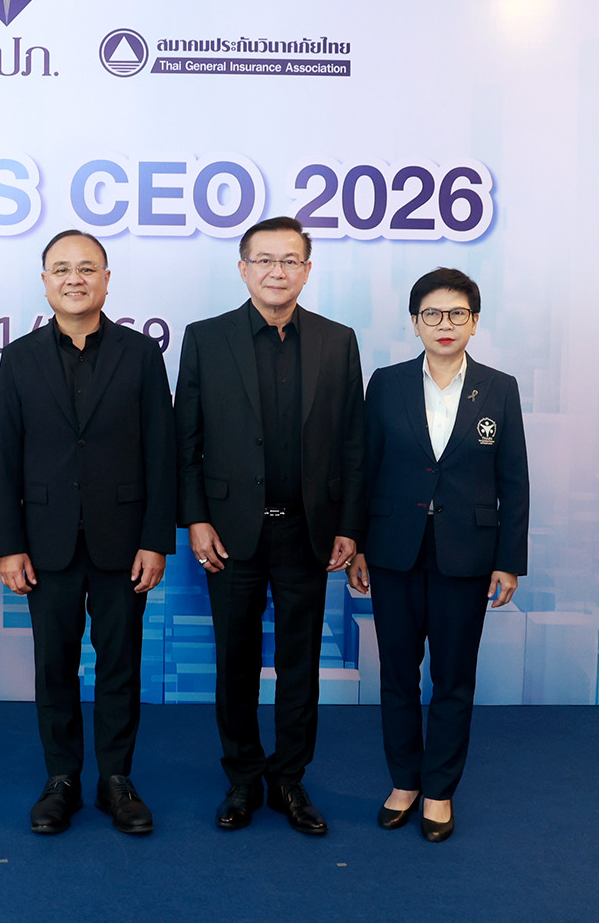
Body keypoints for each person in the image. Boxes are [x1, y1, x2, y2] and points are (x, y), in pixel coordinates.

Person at [175, 215, 364, 835]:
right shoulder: (206, 339)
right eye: (264, 260)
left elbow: (353, 443)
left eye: (290, 260)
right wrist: (196, 519)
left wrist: (349, 525)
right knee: (234, 660)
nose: (276, 271)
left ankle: (289, 779)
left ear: (307, 270)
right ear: (243, 268)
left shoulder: (338, 341)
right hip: (230, 533)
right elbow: (186, 442)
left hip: (308, 531)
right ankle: (242, 778)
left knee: (299, 662)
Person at [0, 229, 176, 836]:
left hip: (124, 542)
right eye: (62, 269)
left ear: (106, 279)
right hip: (45, 542)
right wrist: (11, 545)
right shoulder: (19, 357)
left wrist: (155, 539)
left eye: (87, 268)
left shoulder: (141, 354)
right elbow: (4, 458)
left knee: (120, 664)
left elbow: (161, 453)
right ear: (45, 281)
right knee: (55, 666)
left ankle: (116, 779)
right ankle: (62, 779)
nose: (75, 279)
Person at [347, 267, 528, 843]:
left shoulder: (499, 388)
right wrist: (357, 544)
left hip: (467, 555)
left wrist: (509, 559)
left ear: (474, 322)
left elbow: (514, 480)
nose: (444, 324)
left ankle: (440, 789)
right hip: (393, 550)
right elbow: (364, 467)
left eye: (457, 314)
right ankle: (404, 782)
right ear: (414, 322)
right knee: (398, 674)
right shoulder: (387, 383)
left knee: (453, 677)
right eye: (432, 313)